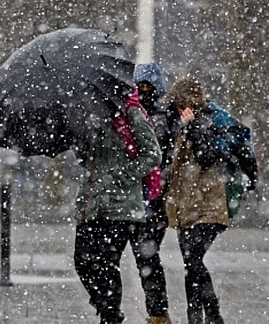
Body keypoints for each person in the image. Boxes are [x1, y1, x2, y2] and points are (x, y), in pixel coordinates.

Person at [74, 88, 162, 324]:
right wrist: (80, 141)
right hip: (90, 203)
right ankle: (107, 308)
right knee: (82, 262)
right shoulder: (89, 115)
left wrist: (121, 176)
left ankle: (110, 315)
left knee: (106, 263)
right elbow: (87, 159)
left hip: (120, 205)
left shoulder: (130, 113)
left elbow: (153, 154)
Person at [164, 76, 232, 324]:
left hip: (208, 206)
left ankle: (213, 315)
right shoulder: (179, 125)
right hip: (185, 207)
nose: (177, 107)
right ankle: (195, 318)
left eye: (180, 102)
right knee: (190, 264)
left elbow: (206, 157)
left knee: (193, 260)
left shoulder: (206, 122)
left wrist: (193, 128)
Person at [131, 63, 173, 324]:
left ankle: (157, 312)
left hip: (153, 197)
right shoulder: (135, 113)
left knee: (146, 256)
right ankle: (157, 311)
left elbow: (158, 153)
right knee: (145, 257)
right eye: (140, 86)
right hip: (141, 196)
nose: (145, 91)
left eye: (149, 86)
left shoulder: (162, 116)